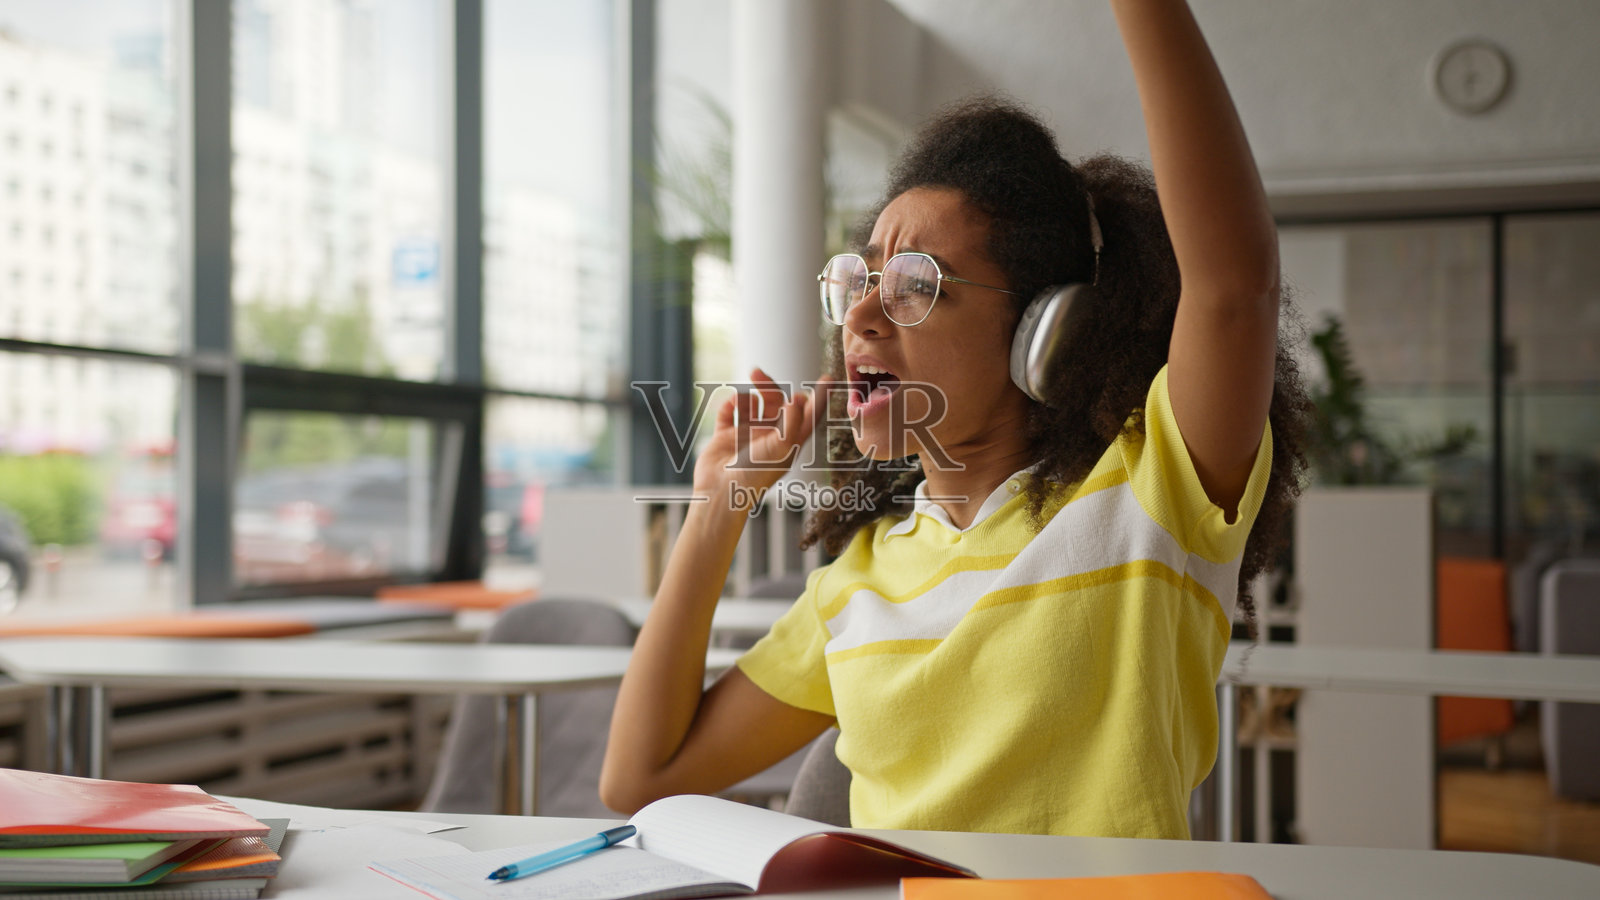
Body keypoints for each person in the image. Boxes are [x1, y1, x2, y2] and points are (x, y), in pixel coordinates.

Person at [600, 0, 1311, 839]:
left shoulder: (1148, 497)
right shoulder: (856, 581)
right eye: (859, 281)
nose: (860, 315)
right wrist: (718, 507)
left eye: (916, 285)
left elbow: (1233, 286)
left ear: (1044, 329)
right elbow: (640, 777)